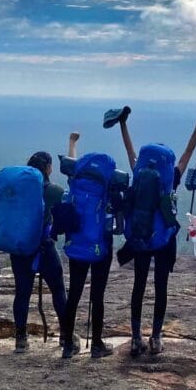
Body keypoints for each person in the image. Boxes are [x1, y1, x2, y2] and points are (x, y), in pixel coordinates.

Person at [116, 105, 196, 356]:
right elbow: (188, 153)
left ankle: (136, 338)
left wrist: (123, 124)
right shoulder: (171, 177)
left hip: (140, 236)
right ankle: (156, 338)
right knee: (161, 288)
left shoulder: (138, 171)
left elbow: (129, 149)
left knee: (138, 286)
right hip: (163, 239)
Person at [60, 132, 116, 359]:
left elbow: (71, 164)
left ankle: (67, 345)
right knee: (97, 295)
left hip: (77, 243)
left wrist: (71, 143)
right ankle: (97, 344)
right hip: (100, 244)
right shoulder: (108, 184)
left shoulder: (77, 181)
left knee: (74, 293)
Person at [10, 151, 70, 354]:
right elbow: (67, 206)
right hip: (44, 247)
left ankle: (20, 338)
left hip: (20, 248)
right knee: (58, 290)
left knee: (22, 293)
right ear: (48, 168)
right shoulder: (52, 190)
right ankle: (65, 336)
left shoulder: (18, 190)